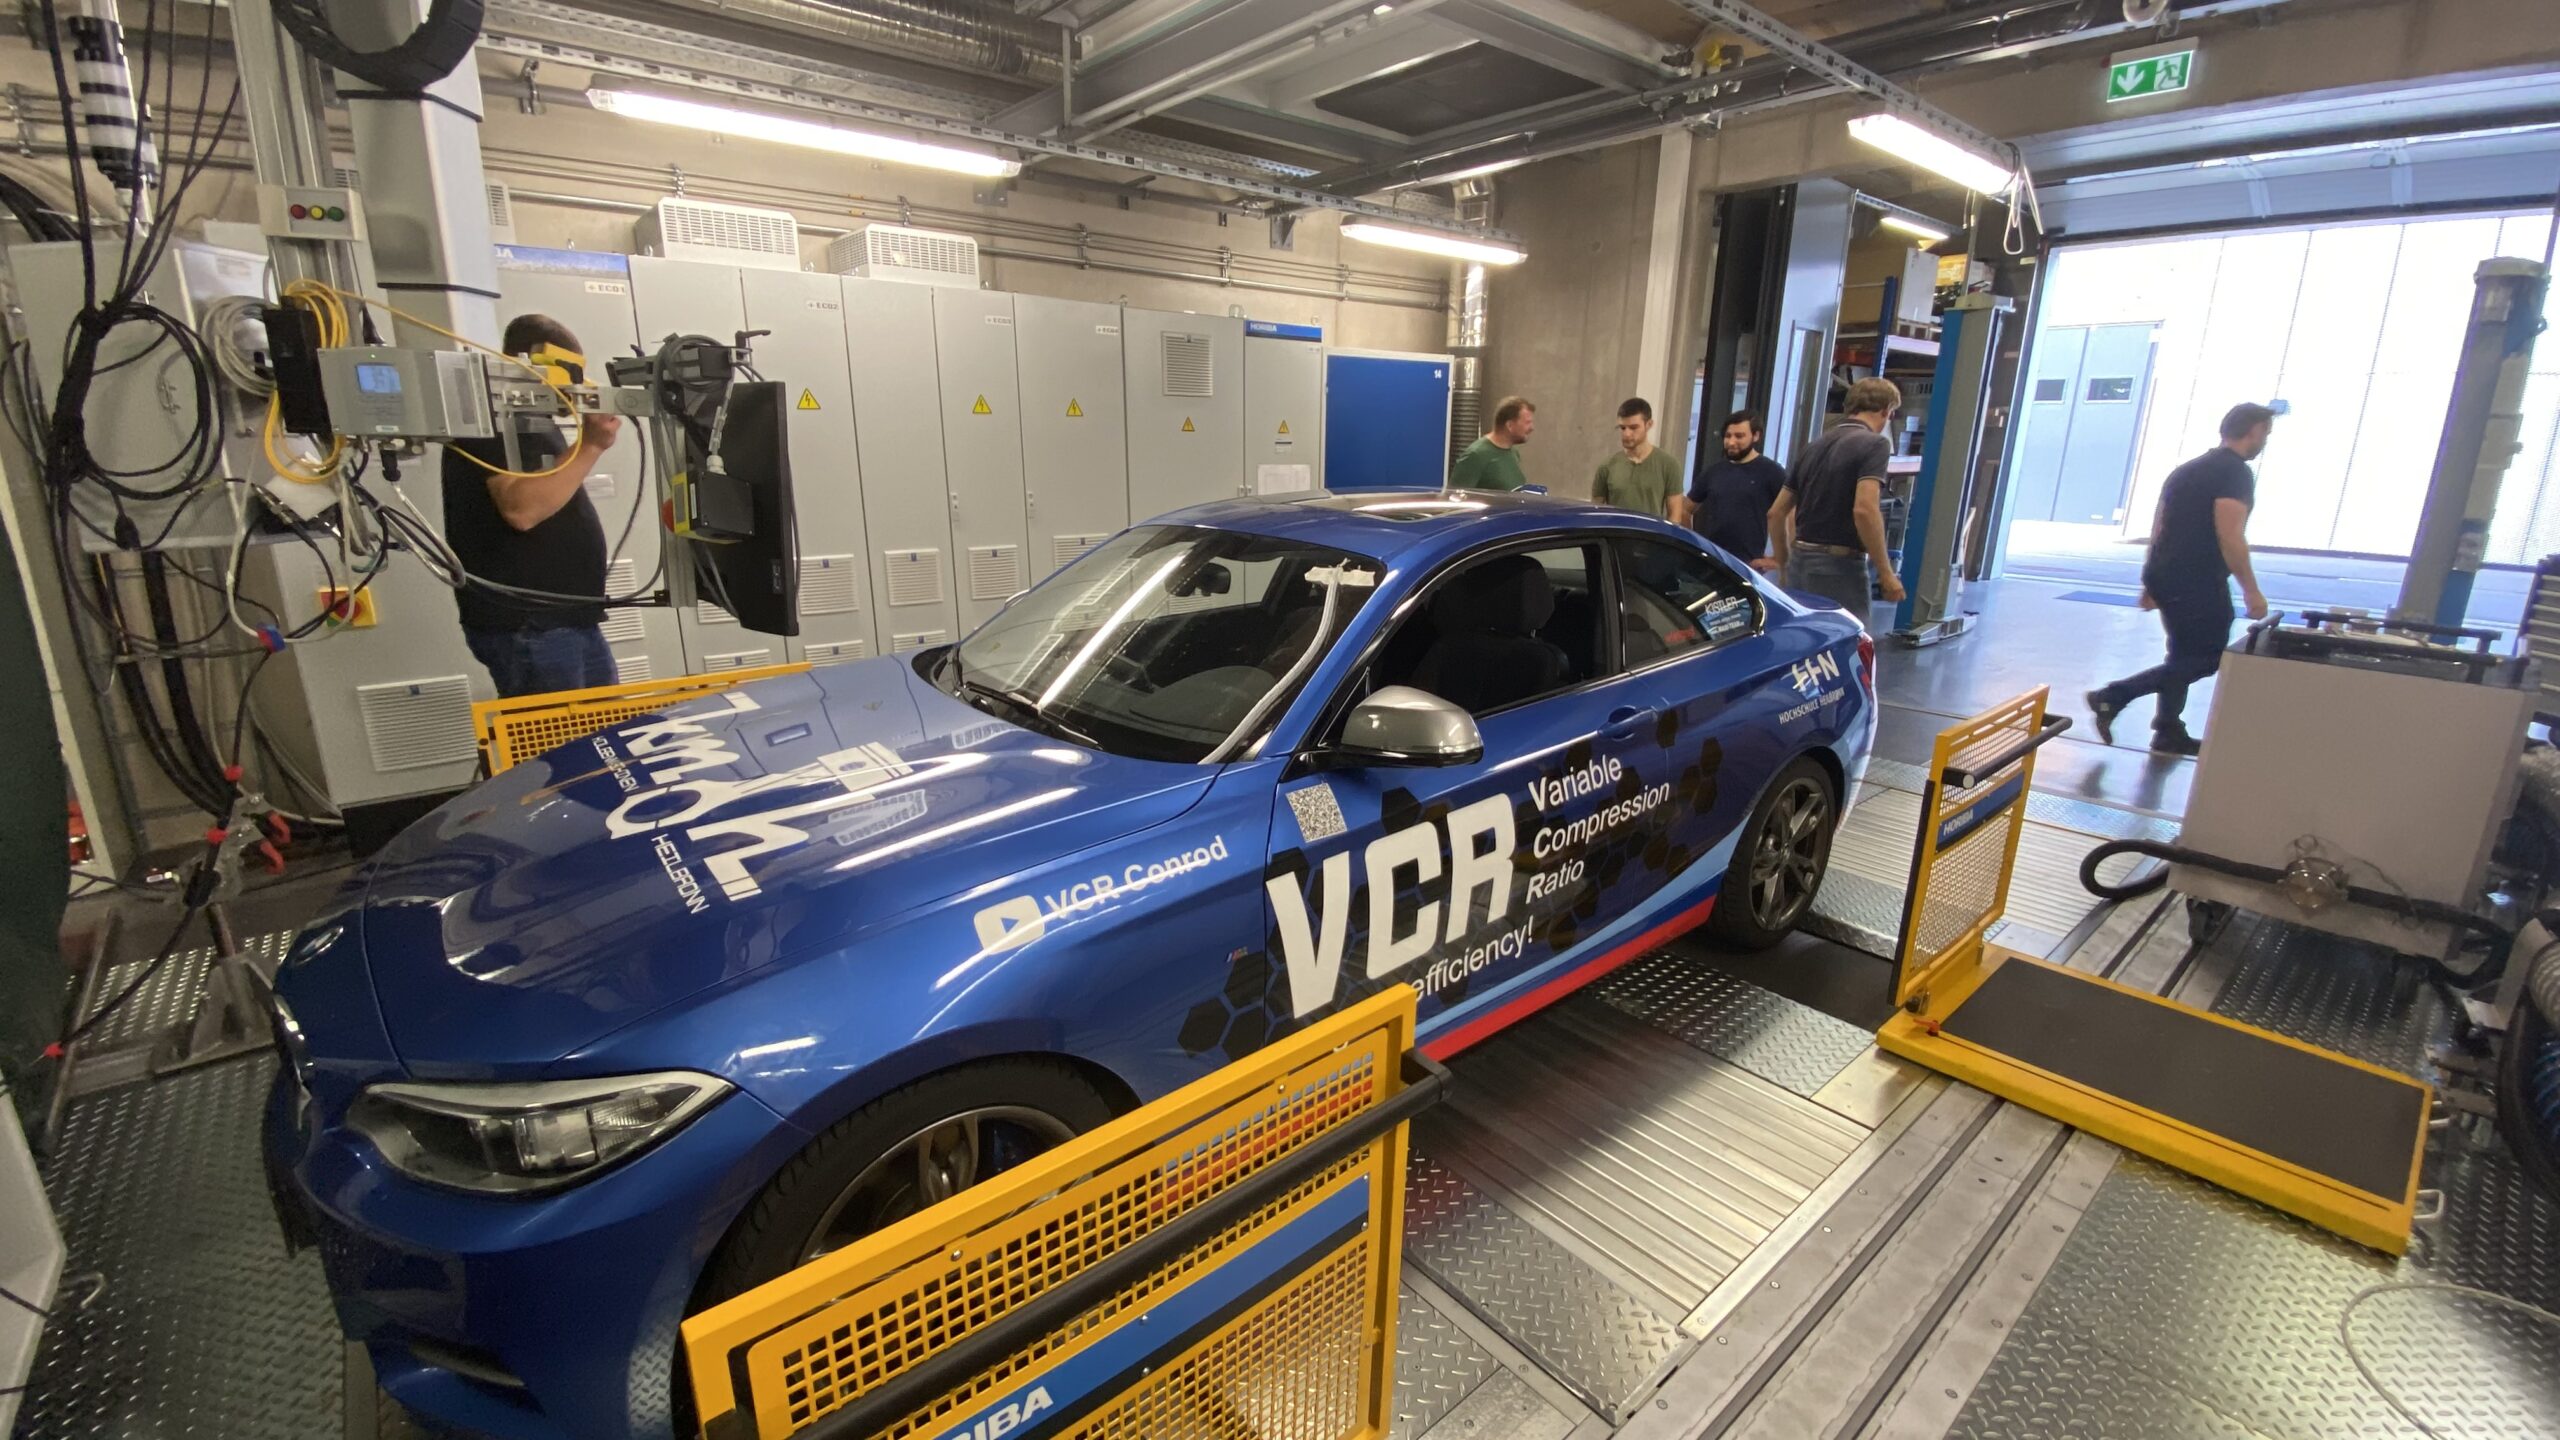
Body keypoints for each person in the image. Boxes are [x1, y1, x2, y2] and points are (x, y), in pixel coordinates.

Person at [441, 313, 625, 698]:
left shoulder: (530, 419)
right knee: (560, 751)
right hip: (531, 627)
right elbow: (521, 510)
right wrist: (591, 445)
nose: (574, 385)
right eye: (569, 373)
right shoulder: (488, 418)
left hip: (564, 622)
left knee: (605, 739)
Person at [2087, 403, 2274, 757]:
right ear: (2253, 430)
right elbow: (2230, 535)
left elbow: (2160, 527)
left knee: (2182, 655)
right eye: (2265, 432)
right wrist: (2251, 591)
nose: (2265, 440)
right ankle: (2113, 696)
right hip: (2196, 581)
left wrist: (2151, 579)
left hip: (2167, 574)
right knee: (2208, 657)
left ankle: (2168, 731)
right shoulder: (2234, 474)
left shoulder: (2187, 470)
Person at [1765, 378, 1907, 617]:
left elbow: (1777, 512)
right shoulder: (1875, 444)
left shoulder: (1814, 446)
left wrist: (1784, 566)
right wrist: (1886, 573)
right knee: (1851, 646)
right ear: (1887, 412)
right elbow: (1864, 509)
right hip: (1840, 569)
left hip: (1800, 563)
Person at [1683, 409, 1788, 563]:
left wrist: (1779, 558)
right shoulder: (1714, 471)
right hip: (1711, 560)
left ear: (1756, 436)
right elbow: (1685, 509)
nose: (1731, 442)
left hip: (1749, 565)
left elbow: (1790, 514)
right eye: (1727, 436)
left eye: (1739, 436)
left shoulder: (1772, 472)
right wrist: (1693, 544)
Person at [1590, 397, 1682, 518]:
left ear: (1649, 425)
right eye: (1622, 428)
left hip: (1649, 535)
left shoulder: (1668, 465)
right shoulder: (1607, 466)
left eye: (1633, 428)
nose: (1627, 434)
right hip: (1616, 534)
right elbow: (1596, 511)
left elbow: (1675, 516)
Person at [1451, 395, 1534, 491]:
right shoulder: (1476, 455)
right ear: (1510, 425)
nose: (1532, 428)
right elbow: (1455, 499)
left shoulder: (1513, 453)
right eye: (1527, 422)